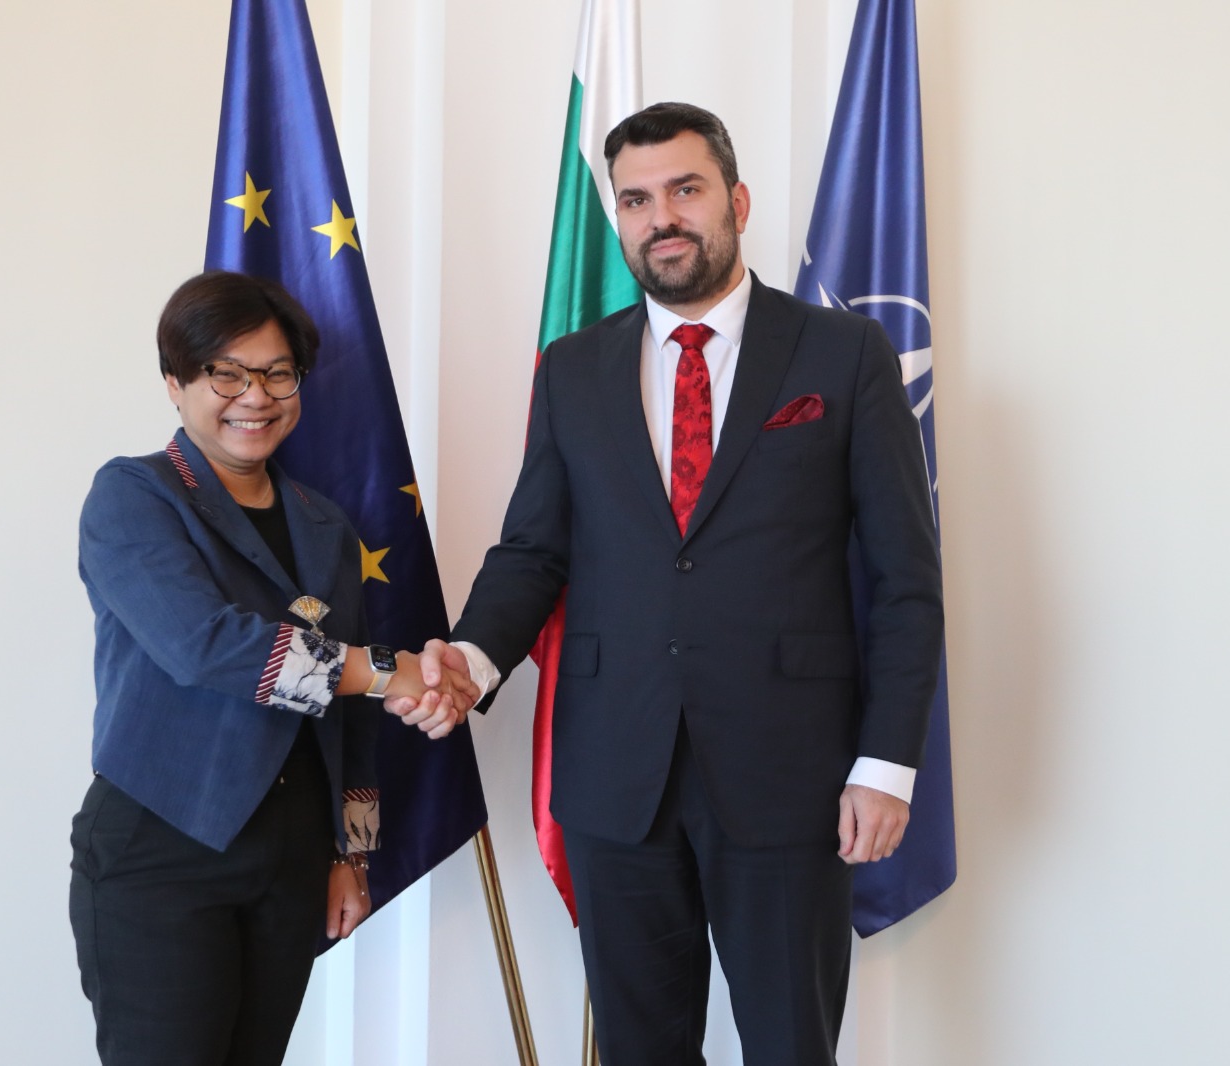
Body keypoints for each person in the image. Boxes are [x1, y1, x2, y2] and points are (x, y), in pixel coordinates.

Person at [401, 103, 944, 1065]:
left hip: (790, 776)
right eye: (637, 199)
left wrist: (885, 764)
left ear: (737, 200)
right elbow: (534, 551)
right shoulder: (573, 369)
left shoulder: (843, 354)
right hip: (617, 776)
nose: (663, 218)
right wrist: (473, 658)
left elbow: (904, 578)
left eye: (686, 190)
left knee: (791, 1047)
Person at [68, 270, 475, 1066]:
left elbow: (350, 718)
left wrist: (350, 855)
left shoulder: (325, 524)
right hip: (163, 847)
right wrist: (386, 670)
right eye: (225, 373)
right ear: (175, 382)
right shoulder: (133, 496)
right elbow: (205, 645)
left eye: (277, 374)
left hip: (291, 857)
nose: (254, 396)